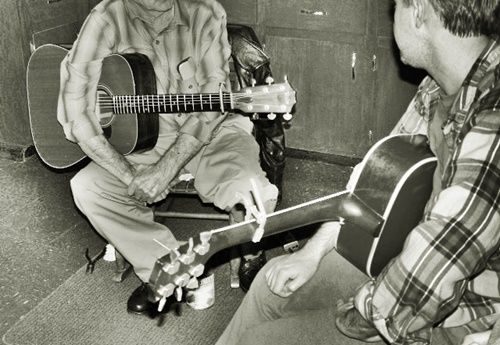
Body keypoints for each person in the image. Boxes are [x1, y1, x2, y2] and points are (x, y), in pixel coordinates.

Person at [215, 0, 500, 344]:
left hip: (462, 308)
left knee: (266, 339)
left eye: (396, 5)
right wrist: (313, 252)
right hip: (406, 263)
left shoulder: (493, 119)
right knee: (268, 289)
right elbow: (374, 181)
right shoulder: (436, 87)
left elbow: (437, 261)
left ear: (420, 11)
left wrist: (352, 307)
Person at [58, 0, 278, 314]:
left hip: (211, 131)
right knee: (88, 188)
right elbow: (75, 111)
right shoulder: (106, 18)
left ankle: (251, 249)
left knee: (250, 188)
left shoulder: (205, 12)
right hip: (143, 142)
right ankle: (171, 266)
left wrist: (166, 170)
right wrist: (129, 176)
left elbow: (210, 105)